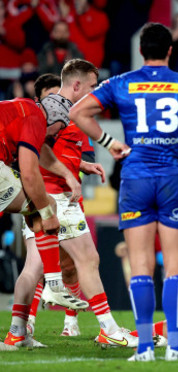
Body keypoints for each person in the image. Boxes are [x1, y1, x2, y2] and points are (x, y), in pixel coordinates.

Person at [69, 22, 178, 362]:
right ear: (170, 50)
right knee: (174, 266)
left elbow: (78, 112)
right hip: (173, 180)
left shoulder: (122, 82)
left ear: (141, 50)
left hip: (136, 179)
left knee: (140, 267)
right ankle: (175, 346)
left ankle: (143, 347)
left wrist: (109, 143)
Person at [17, 60, 137, 346]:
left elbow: (46, 147)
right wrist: (66, 176)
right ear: (76, 84)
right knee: (87, 259)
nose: (94, 91)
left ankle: (17, 332)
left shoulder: (65, 111)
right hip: (54, 193)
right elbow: (36, 146)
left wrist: (80, 165)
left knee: (34, 267)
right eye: (92, 85)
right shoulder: (59, 109)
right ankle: (108, 328)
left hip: (49, 191)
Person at [1, 80, 93, 349]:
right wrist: (47, 211)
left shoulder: (24, 110)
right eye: (59, 128)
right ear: (53, 118)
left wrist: (69, 175)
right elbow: (30, 174)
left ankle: (18, 332)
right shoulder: (37, 120)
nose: (57, 134)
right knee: (44, 206)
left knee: (39, 212)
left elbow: (41, 153)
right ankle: (53, 284)